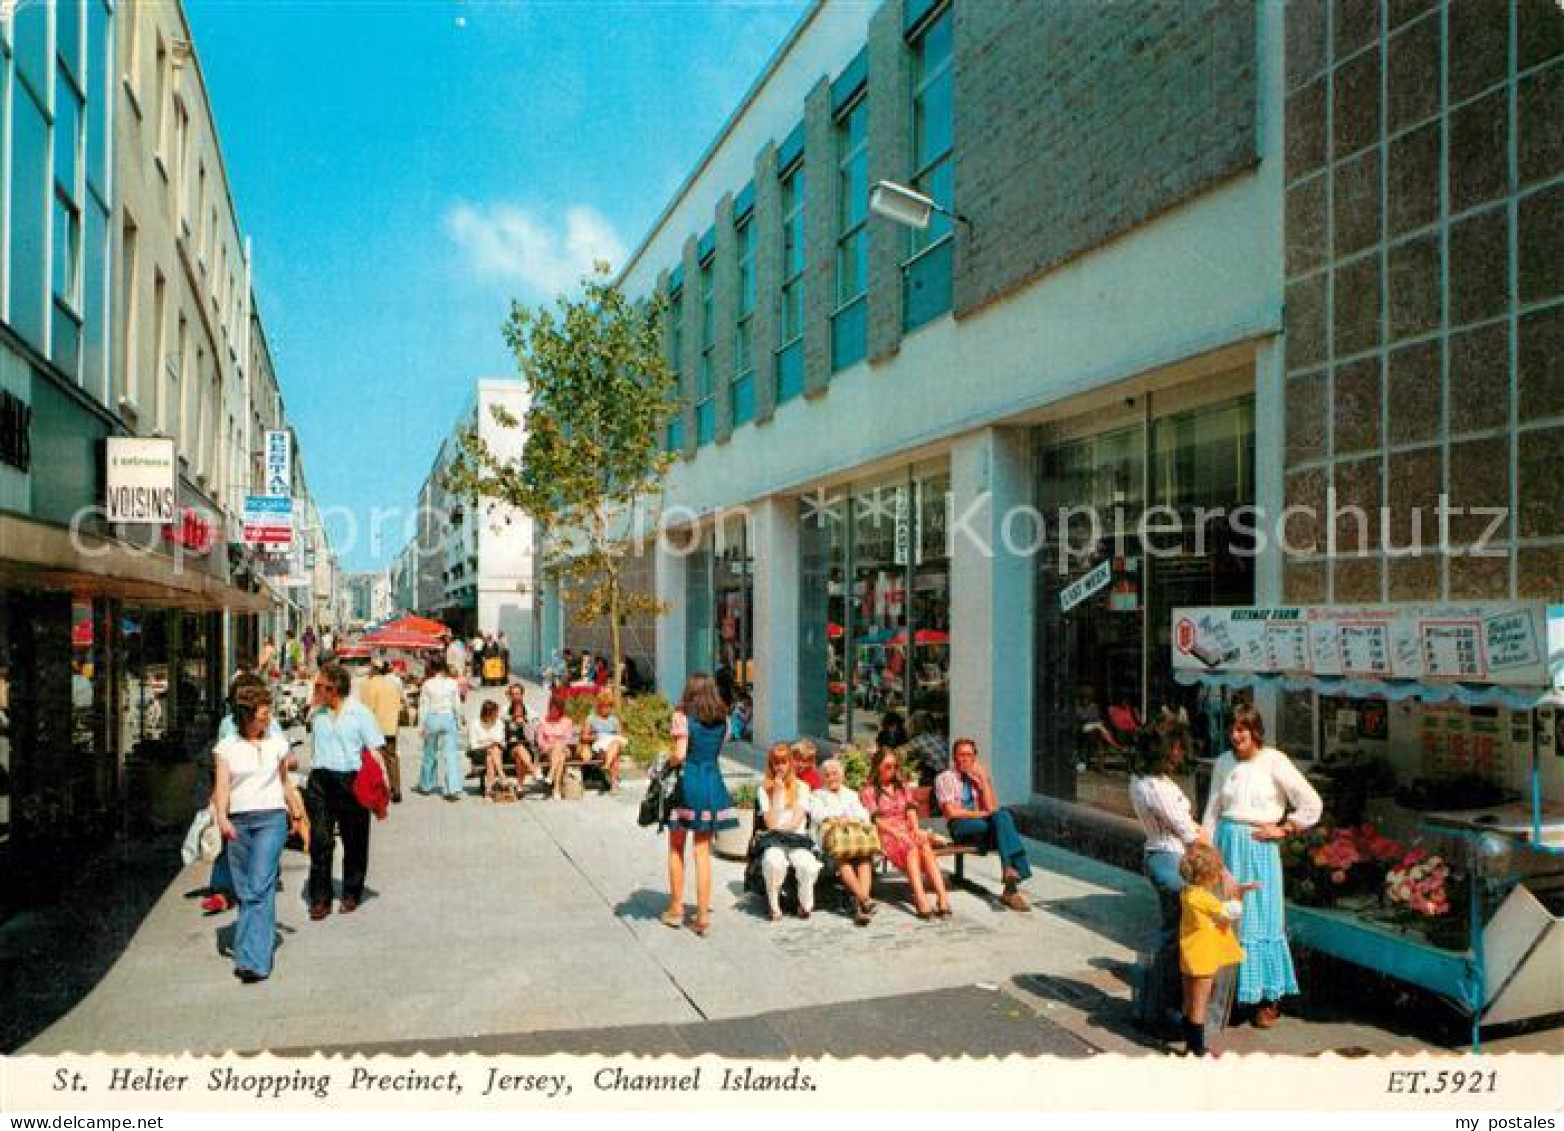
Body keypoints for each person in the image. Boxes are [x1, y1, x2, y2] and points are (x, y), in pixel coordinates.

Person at [1201, 702, 1323, 1029]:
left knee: (1260, 920)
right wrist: (1206, 852)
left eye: (1241, 729)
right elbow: (1212, 809)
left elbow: (1311, 802)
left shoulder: (1274, 761)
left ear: (1255, 731)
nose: (1235, 735)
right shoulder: (1223, 763)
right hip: (1227, 848)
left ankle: (1267, 1000)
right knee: (1227, 919)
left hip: (1258, 849)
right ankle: (1230, 995)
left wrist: (1284, 828)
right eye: (1231, 728)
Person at [211, 681, 305, 983]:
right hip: (239, 822)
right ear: (248, 715)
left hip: (271, 820)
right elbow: (222, 788)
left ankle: (254, 961)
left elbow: (284, 782)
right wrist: (221, 818)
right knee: (246, 890)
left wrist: (297, 811)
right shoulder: (226, 749)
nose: (268, 718)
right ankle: (247, 950)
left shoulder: (276, 744)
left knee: (260, 885)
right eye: (263, 713)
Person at [1128, 713, 1204, 1036]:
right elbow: (1187, 831)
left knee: (1171, 936)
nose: (1179, 753)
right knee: (1176, 939)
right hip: (1169, 857)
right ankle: (1162, 1012)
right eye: (1175, 747)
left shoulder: (1145, 780)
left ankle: (1152, 1008)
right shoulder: (1154, 787)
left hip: (1162, 854)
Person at [304, 664, 387, 921]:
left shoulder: (359, 713)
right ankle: (320, 898)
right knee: (320, 841)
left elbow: (375, 749)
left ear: (335, 688)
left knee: (354, 840)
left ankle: (352, 891)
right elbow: (308, 722)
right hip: (320, 780)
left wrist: (380, 787)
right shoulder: (317, 713)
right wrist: (313, 699)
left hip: (350, 779)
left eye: (321, 686)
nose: (316, 689)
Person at [201, 673, 288, 916]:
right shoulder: (229, 732)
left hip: (269, 810)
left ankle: (252, 944)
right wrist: (220, 808)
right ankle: (226, 893)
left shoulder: (270, 727)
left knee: (256, 884)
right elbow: (223, 767)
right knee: (243, 871)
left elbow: (283, 767)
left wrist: (296, 809)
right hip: (238, 806)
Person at [661, 673, 737, 936]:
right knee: (702, 851)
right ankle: (703, 915)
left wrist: (667, 762)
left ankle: (676, 908)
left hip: (688, 784)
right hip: (712, 782)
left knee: (676, 846)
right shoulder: (723, 721)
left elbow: (680, 755)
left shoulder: (682, 718)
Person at [935, 738, 1032, 912]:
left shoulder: (977, 778)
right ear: (954, 757)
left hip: (983, 828)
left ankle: (1009, 874)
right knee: (1003, 818)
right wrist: (982, 814)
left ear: (975, 758)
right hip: (961, 827)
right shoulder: (945, 778)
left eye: (969, 755)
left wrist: (985, 781)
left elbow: (992, 809)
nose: (965, 759)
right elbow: (952, 812)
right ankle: (1011, 880)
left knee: (1002, 815)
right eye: (961, 755)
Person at [1178, 842, 1254, 1056]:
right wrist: (1238, 896)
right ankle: (1195, 1049)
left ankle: (1188, 1041)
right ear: (1206, 877)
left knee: (1189, 999)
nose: (1219, 878)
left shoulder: (1187, 892)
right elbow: (1230, 912)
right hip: (1202, 957)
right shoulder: (1204, 898)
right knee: (1199, 1003)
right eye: (1217, 873)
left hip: (1189, 954)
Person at [862, 745, 951, 919]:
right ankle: (921, 898)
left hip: (906, 829)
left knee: (923, 843)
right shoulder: (869, 791)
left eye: (895, 766)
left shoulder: (902, 787)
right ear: (878, 766)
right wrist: (897, 833)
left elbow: (910, 811)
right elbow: (876, 820)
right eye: (888, 766)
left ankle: (943, 898)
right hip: (887, 833)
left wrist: (916, 828)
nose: (893, 770)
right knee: (912, 845)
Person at [754, 742, 822, 921]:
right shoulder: (764, 789)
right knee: (773, 861)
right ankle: (774, 905)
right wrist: (777, 793)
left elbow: (797, 820)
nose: (779, 767)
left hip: (796, 838)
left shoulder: (802, 787)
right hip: (774, 839)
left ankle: (805, 904)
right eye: (775, 763)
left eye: (783, 762)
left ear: (790, 763)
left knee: (807, 865)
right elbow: (770, 823)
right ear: (770, 765)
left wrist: (784, 830)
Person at [807, 756, 878, 926]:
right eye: (827, 775)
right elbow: (818, 815)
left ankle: (861, 906)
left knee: (865, 859)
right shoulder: (817, 795)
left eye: (835, 774)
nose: (831, 778)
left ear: (842, 775)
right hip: (831, 846)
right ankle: (864, 899)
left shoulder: (851, 794)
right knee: (843, 860)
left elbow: (864, 815)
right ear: (822, 777)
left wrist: (849, 819)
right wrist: (838, 819)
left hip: (853, 842)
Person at [415, 657, 464, 801]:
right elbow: (457, 705)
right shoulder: (452, 683)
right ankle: (452, 788)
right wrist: (459, 722)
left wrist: (421, 726)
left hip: (432, 718)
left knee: (429, 752)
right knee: (450, 754)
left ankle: (426, 785)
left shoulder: (427, 684)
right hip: (448, 717)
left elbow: (423, 707)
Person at [360, 660, 406, 803]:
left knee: (371, 759)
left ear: (373, 669)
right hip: (390, 726)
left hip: (374, 727)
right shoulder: (392, 684)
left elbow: (366, 708)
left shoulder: (369, 684)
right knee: (391, 758)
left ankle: (373, 790)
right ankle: (396, 788)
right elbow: (399, 705)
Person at [581, 689, 628, 791]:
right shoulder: (591, 718)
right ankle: (614, 784)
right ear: (599, 706)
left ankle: (607, 767)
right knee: (614, 756)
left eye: (609, 706)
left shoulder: (614, 719)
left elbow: (620, 735)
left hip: (611, 746)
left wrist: (615, 736)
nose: (607, 709)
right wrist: (596, 736)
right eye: (605, 706)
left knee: (615, 744)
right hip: (598, 748)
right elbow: (584, 737)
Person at [536, 694, 578, 800]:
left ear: (561, 709)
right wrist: (549, 747)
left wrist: (558, 745)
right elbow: (540, 741)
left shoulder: (567, 721)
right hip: (547, 750)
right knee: (560, 756)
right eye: (552, 709)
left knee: (559, 747)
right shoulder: (543, 721)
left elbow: (568, 739)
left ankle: (551, 775)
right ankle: (556, 789)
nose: (554, 712)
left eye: (556, 709)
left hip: (564, 748)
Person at [470, 699, 509, 799]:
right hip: (479, 752)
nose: (497, 715)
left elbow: (500, 739)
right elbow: (473, 745)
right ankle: (502, 776)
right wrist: (488, 745)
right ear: (488, 713)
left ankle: (488, 791)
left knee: (491, 757)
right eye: (495, 713)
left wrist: (489, 744)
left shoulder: (499, 722)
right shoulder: (475, 724)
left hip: (497, 750)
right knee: (491, 752)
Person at [502, 683, 537, 784]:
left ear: (522, 695)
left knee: (520, 753)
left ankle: (520, 785)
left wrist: (526, 722)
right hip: (509, 748)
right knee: (518, 748)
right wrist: (511, 719)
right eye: (513, 694)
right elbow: (501, 720)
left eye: (517, 694)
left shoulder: (529, 709)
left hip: (526, 748)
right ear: (510, 695)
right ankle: (533, 770)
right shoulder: (505, 710)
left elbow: (536, 722)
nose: (515, 696)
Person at [904, 710, 948, 785]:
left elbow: (899, 754)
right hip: (947, 774)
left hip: (936, 778)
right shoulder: (938, 736)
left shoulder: (917, 741)